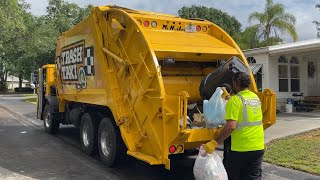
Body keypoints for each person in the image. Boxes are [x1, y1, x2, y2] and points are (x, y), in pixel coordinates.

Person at [202, 72, 264, 180]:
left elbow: (231, 126)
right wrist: (228, 97)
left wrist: (214, 142)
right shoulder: (255, 98)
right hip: (258, 147)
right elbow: (244, 108)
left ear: (235, 84)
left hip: (240, 149)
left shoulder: (235, 101)